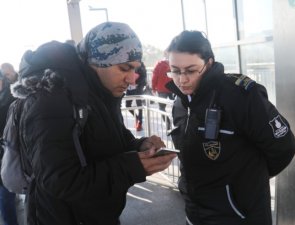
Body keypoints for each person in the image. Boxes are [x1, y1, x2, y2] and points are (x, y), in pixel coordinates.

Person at [11, 22, 177, 225]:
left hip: (97, 215)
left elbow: (109, 138)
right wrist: (131, 167)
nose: (132, 79)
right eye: (125, 68)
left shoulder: (100, 91)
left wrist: (139, 146)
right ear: (97, 62)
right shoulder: (50, 98)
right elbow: (59, 180)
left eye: (135, 69)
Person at [165, 30, 295, 225]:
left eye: (191, 70)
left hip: (240, 216)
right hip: (195, 213)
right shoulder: (181, 102)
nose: (182, 79)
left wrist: (244, 184)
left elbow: (283, 146)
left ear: (209, 63)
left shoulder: (240, 96)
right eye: (175, 70)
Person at [0, 63, 19, 225]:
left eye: (7, 75)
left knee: (6, 193)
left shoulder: (13, 94)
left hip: (10, 149)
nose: (7, 77)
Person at [151, 57, 174, 130]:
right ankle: (177, 123)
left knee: (162, 108)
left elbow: (154, 77)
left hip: (161, 89)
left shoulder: (159, 64)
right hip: (172, 88)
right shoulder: (173, 63)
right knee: (175, 106)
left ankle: (168, 123)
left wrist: (153, 88)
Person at [125, 61, 147, 131]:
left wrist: (137, 83)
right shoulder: (127, 63)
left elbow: (143, 76)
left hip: (138, 88)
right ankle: (137, 118)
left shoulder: (140, 64)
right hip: (129, 88)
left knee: (139, 105)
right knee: (127, 105)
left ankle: (140, 123)